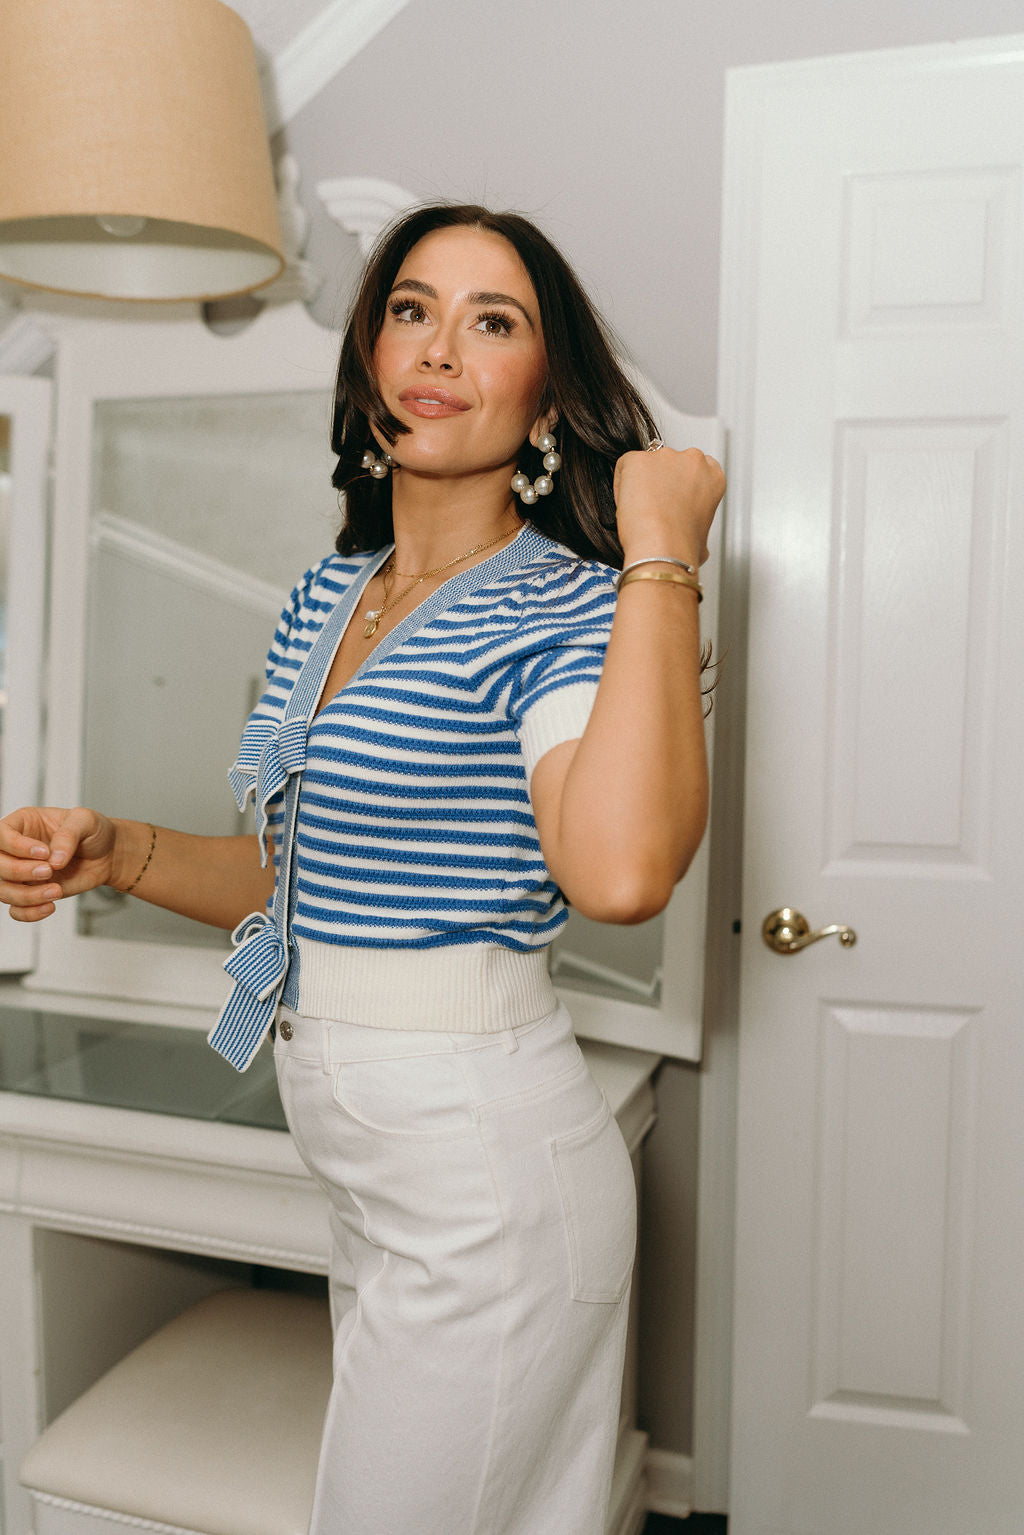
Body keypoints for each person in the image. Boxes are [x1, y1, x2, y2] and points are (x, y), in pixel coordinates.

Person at [0, 204, 723, 1535]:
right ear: (368, 355)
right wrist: (123, 849)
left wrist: (660, 548)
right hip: (367, 1160)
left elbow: (618, 873)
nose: (439, 346)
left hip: (484, 1171)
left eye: (491, 321)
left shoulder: (571, 608)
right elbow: (300, 880)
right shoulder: (321, 599)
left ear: (546, 387)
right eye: (410, 308)